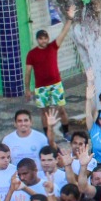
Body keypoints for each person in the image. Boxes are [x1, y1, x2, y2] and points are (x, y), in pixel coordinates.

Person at [25, 7, 75, 135]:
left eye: (45, 38)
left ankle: (66, 132)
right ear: (37, 40)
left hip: (56, 84)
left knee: (61, 109)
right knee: (44, 112)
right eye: (41, 38)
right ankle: (47, 134)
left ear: (48, 38)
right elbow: (28, 72)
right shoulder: (32, 54)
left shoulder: (53, 47)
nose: (43, 40)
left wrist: (70, 18)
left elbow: (64, 32)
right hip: (41, 87)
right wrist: (27, 89)